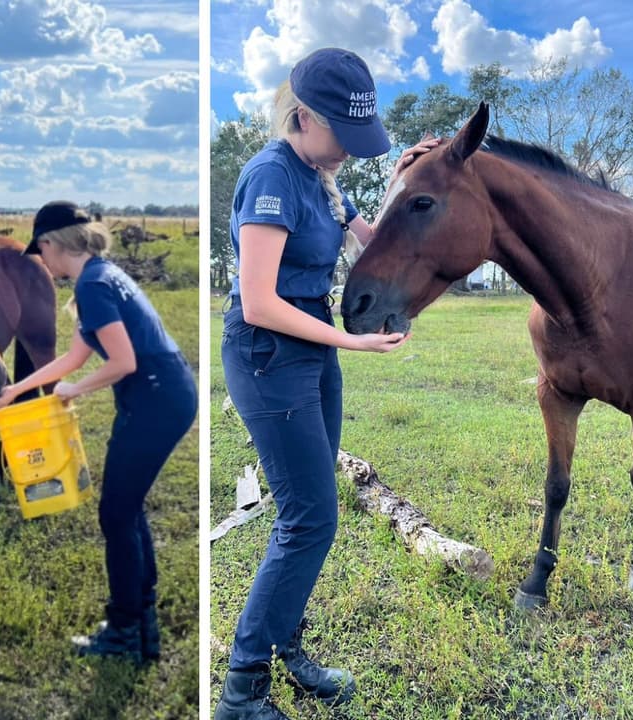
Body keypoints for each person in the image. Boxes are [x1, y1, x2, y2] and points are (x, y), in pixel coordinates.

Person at [213, 48, 436, 720]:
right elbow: (256, 300)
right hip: (268, 354)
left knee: (310, 515)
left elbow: (370, 241)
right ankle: (241, 690)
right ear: (302, 116)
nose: (347, 150)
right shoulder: (271, 176)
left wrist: (403, 181)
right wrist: (352, 339)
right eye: (341, 134)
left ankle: (289, 648)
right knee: (310, 518)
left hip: (311, 354)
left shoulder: (320, 177)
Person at [0, 201, 197, 664]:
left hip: (156, 402)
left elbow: (123, 363)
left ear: (50, 244)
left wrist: (74, 390)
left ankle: (123, 631)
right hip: (163, 396)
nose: (42, 264)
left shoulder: (96, 285)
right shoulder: (98, 276)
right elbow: (76, 356)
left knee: (116, 515)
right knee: (126, 510)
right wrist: (15, 390)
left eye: (41, 253)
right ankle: (142, 625)